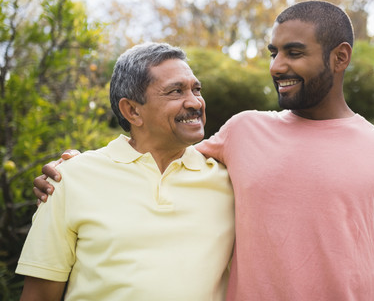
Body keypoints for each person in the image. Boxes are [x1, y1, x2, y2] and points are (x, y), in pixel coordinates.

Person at [34, 1, 374, 300]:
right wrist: (76, 166)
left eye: (293, 52)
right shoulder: (243, 131)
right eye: (273, 53)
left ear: (340, 57)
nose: (277, 65)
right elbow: (157, 150)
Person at [16, 43, 235, 300]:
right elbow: (39, 295)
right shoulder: (68, 179)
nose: (195, 102)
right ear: (132, 110)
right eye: (176, 91)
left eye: (196, 89)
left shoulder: (231, 181)